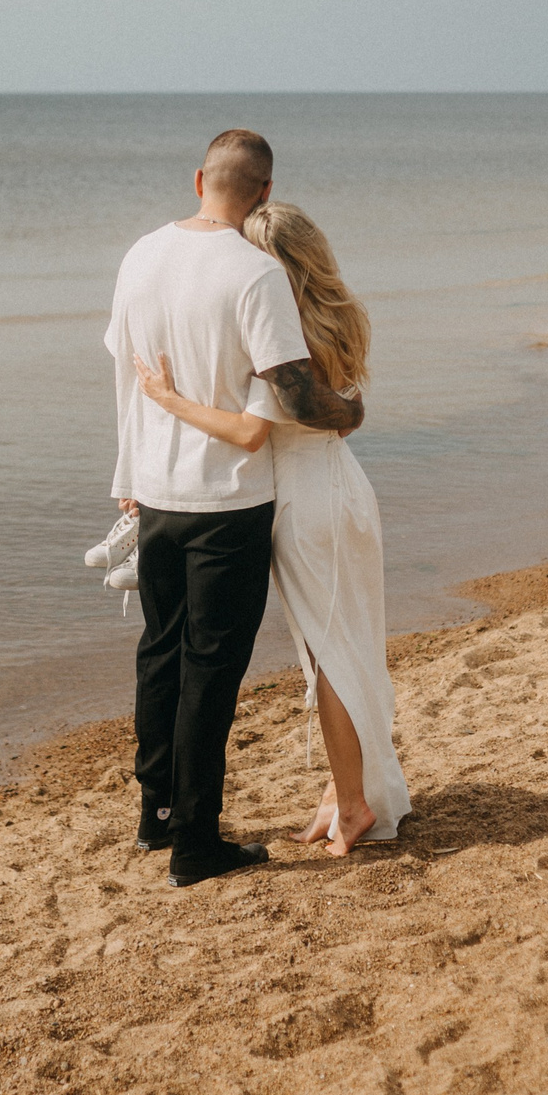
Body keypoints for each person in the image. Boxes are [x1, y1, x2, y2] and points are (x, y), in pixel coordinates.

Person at [104, 130, 364, 887]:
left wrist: (128, 468)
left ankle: (155, 817)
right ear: (263, 195)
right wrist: (348, 414)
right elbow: (285, 392)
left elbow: (126, 375)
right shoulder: (256, 273)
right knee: (210, 671)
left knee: (159, 651)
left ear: (197, 179)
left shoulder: (140, 254)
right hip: (228, 499)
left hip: (155, 489)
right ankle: (195, 842)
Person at [133, 201, 408, 856]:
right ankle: (344, 793)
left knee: (330, 658)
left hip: (306, 508)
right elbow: (339, 417)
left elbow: (257, 430)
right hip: (341, 489)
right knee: (347, 648)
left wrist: (168, 402)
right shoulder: (332, 319)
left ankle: (352, 803)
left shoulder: (275, 339)